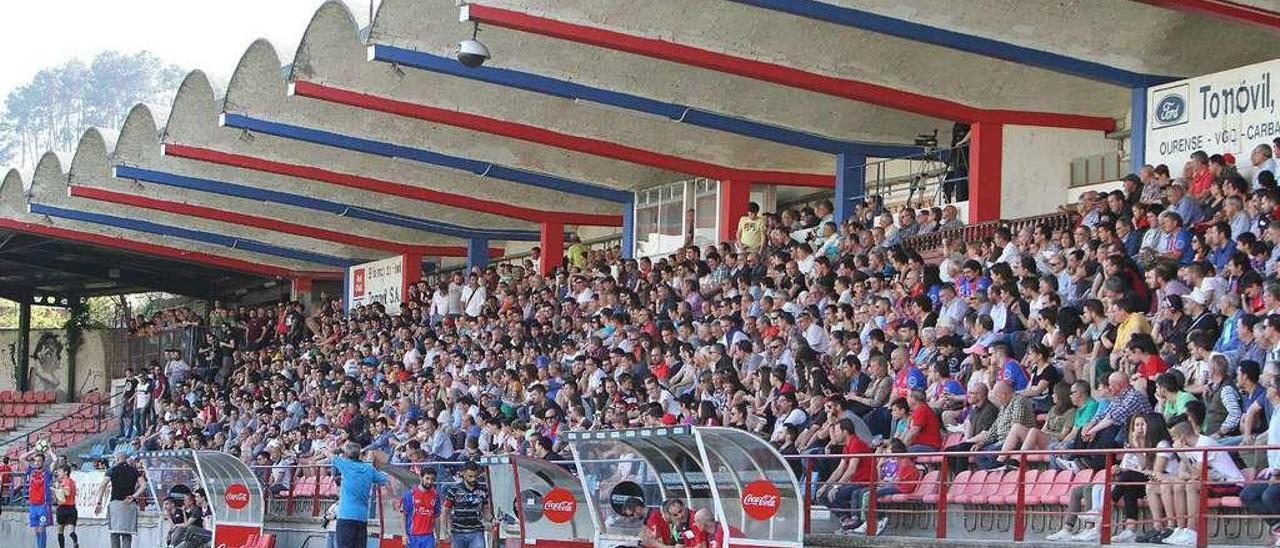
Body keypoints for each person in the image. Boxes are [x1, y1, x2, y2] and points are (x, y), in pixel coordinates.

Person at [330, 442, 389, 548]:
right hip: (362, 517)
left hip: (345, 516)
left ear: (347, 455)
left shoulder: (345, 465)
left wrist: (340, 449)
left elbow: (328, 453)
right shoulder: (369, 469)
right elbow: (385, 480)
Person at [94, 450, 144, 548]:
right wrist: (134, 495)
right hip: (130, 503)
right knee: (127, 534)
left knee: (114, 533)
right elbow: (143, 485)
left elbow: (103, 485)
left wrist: (99, 502)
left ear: (117, 458)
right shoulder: (134, 471)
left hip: (116, 504)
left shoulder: (112, 470)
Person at [443, 462, 491, 548]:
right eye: (470, 476)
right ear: (463, 474)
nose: (473, 479)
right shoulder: (453, 490)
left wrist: (492, 519)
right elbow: (445, 511)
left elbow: (485, 509)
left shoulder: (483, 490)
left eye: (475, 476)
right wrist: (445, 530)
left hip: (476, 531)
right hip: (458, 533)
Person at [24, 445, 54, 548]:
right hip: (33, 505)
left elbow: (56, 461)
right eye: (35, 461)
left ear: (43, 462)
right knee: (36, 529)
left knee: (42, 528)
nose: (37, 463)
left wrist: (50, 452)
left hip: (43, 504)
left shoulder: (47, 472)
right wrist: (32, 451)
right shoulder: (31, 471)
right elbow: (21, 458)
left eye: (39, 461)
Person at [401, 469, 439, 548]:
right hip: (412, 536)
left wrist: (437, 537)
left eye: (432, 479)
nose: (429, 482)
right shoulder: (410, 495)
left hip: (429, 537)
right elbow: (403, 516)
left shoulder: (435, 496)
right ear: (421, 477)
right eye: (427, 478)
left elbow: (437, 518)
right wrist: (404, 534)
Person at [52, 465, 78, 548]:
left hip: (63, 508)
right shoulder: (72, 482)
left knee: (60, 531)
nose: (58, 473)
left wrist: (57, 489)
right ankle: (75, 541)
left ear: (65, 472)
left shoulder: (65, 482)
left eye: (60, 471)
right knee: (71, 531)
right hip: (72, 508)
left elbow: (66, 493)